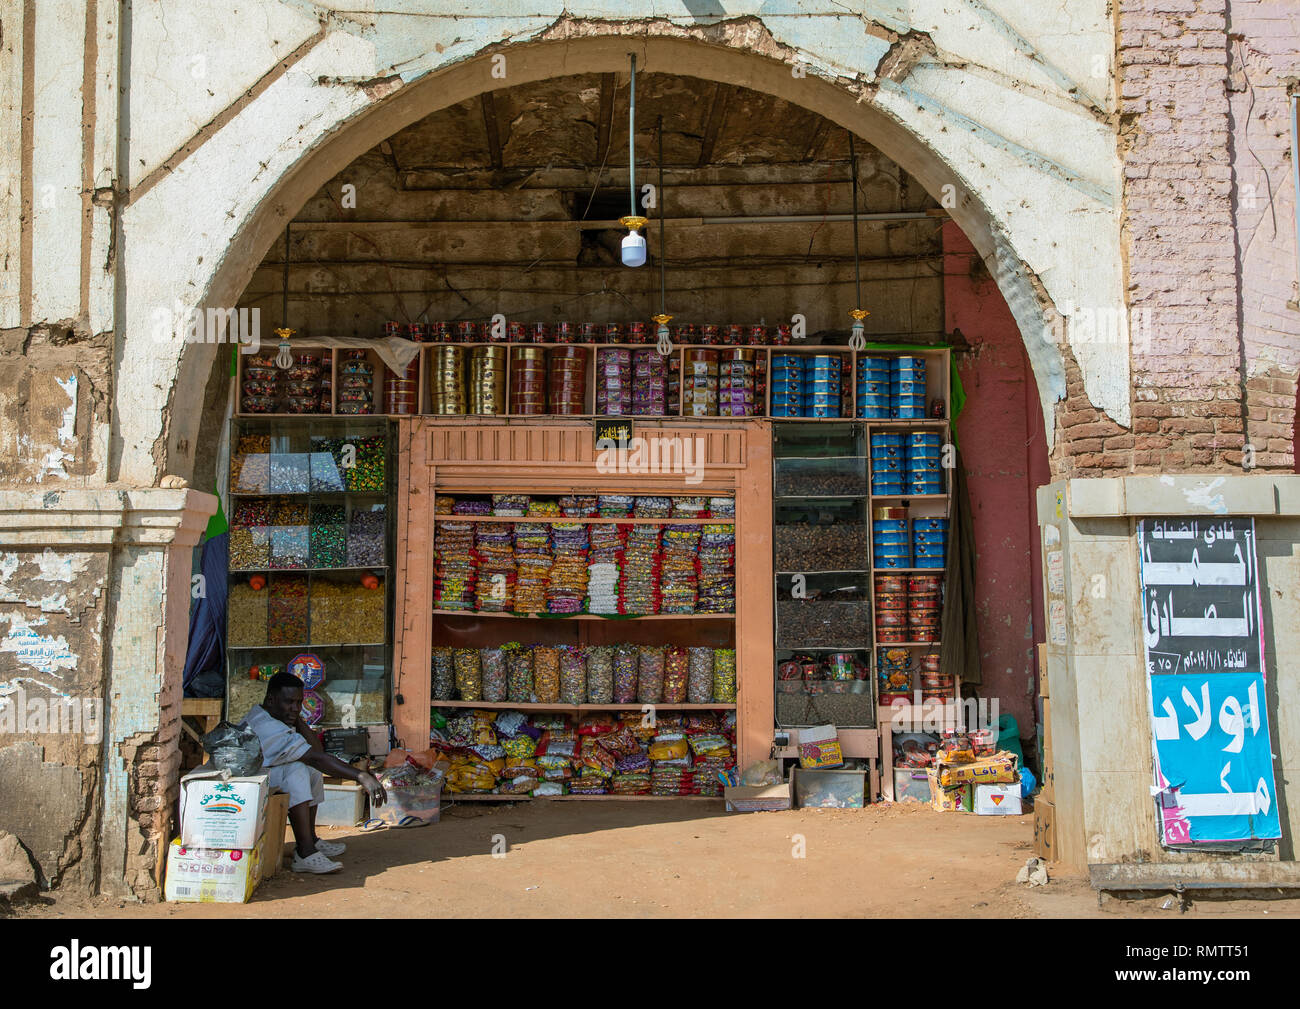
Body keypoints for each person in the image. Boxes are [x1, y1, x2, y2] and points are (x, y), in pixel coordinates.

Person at [239, 672, 387, 874]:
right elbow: (317, 756)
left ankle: (311, 839)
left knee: (310, 770)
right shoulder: (268, 726)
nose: (295, 708)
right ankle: (305, 852)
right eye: (289, 702)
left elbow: (316, 751)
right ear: (271, 700)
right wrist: (361, 776)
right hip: (249, 783)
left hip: (264, 772)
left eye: (299, 702)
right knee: (298, 770)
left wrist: (297, 719)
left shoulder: (270, 713)